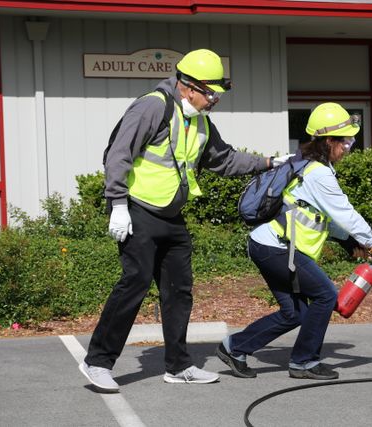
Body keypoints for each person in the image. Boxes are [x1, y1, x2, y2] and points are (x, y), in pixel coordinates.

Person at [79, 49, 284, 392]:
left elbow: (224, 160)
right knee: (135, 283)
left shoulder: (200, 121)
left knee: (179, 291)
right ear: (188, 87)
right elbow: (118, 154)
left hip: (171, 216)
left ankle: (178, 366)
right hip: (138, 210)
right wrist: (117, 203)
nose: (215, 100)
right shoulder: (152, 107)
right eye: (211, 93)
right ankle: (97, 362)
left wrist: (269, 163)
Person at [216, 102, 372, 380]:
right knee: (326, 295)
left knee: (294, 313)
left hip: (269, 245)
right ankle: (304, 362)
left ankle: (234, 347)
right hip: (277, 247)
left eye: (351, 141)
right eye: (345, 141)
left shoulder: (311, 168)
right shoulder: (319, 174)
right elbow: (346, 214)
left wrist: (348, 242)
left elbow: (316, 216)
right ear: (328, 141)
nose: (348, 147)